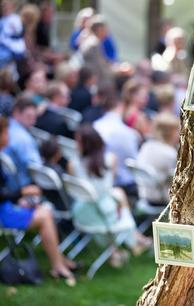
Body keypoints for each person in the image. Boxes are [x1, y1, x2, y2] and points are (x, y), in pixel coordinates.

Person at [0, 115, 77, 286]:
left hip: (6, 206)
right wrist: (21, 192)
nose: (9, 136)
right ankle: (58, 265)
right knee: (45, 215)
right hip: (3, 213)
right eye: (6, 132)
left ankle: (60, 261)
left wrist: (18, 197)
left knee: (43, 211)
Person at [70, 124, 151, 265]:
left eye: (78, 141)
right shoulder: (110, 159)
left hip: (81, 213)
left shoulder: (72, 163)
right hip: (104, 214)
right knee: (118, 197)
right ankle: (135, 240)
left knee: (116, 197)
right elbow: (109, 186)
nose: (76, 145)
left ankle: (118, 251)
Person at [93, 96, 139, 198]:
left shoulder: (95, 126)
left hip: (96, 180)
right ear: (121, 106)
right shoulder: (129, 134)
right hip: (122, 184)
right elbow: (135, 162)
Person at [138, 112, 179, 205]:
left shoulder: (146, 146)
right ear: (171, 132)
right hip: (160, 199)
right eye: (177, 130)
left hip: (144, 196)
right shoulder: (169, 153)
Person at [3, 96, 41, 189]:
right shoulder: (23, 138)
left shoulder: (4, 126)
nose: (33, 121)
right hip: (19, 187)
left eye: (34, 117)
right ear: (16, 113)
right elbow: (37, 168)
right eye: (29, 116)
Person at [79, 15, 113, 87]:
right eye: (105, 28)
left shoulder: (92, 41)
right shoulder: (94, 44)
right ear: (99, 29)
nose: (108, 31)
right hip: (95, 82)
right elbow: (101, 69)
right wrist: (117, 72)